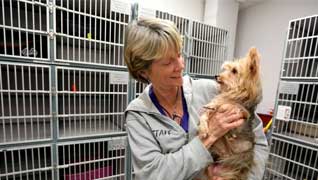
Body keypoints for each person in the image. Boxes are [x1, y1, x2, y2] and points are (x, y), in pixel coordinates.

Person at [124, 17, 269, 180]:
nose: (180, 66)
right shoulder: (138, 114)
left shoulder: (212, 89)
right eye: (167, 62)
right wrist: (208, 137)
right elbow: (153, 174)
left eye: (179, 55)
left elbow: (258, 140)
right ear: (144, 71)